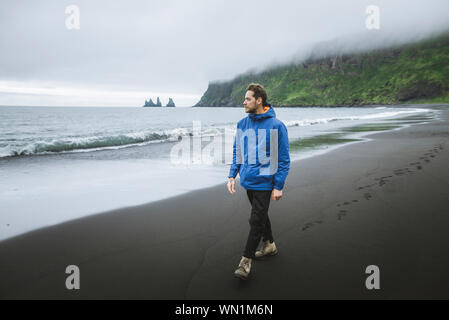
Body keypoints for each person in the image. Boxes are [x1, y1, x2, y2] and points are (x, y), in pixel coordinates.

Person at [227, 83, 290, 280]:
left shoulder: (277, 126)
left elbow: (283, 159)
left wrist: (278, 185)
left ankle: (245, 262)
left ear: (259, 100)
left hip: (265, 180)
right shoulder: (242, 124)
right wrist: (232, 175)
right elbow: (238, 151)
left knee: (255, 220)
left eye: (247, 99)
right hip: (248, 180)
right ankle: (269, 244)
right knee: (261, 215)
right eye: (245, 99)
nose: (244, 102)